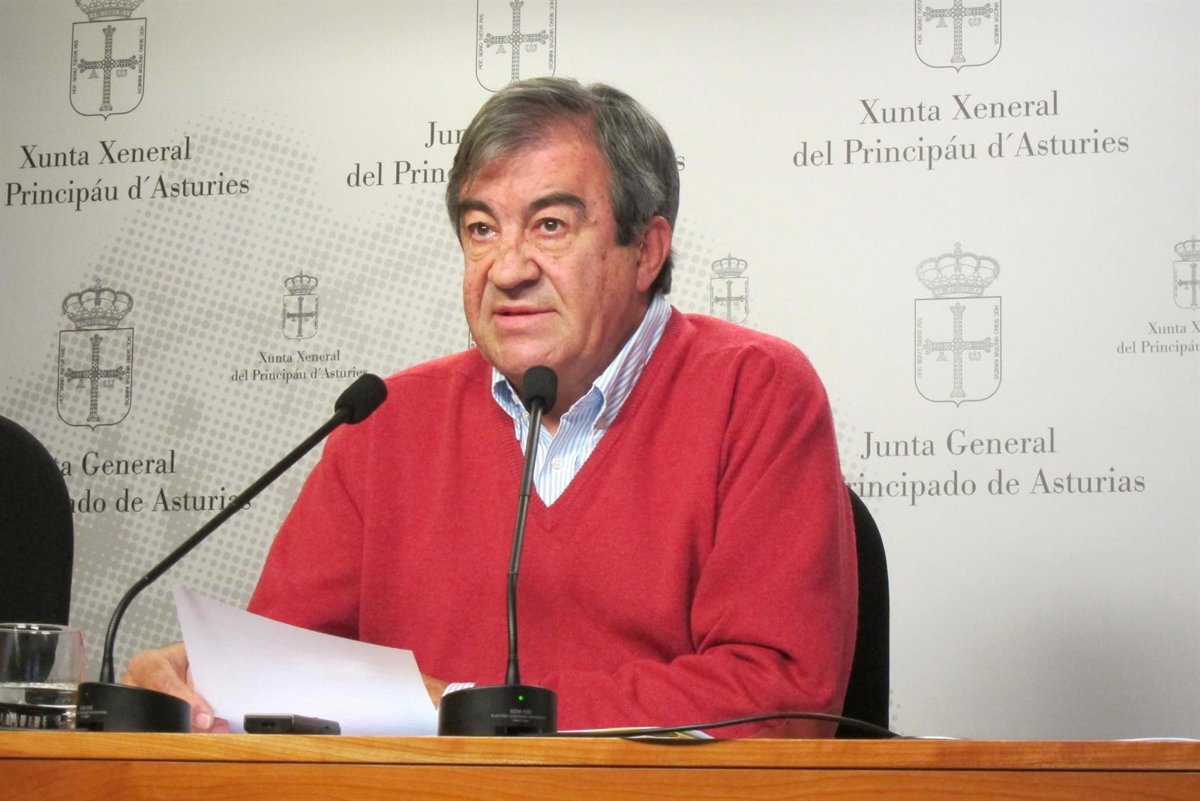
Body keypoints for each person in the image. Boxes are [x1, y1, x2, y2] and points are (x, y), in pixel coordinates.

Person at [126, 76, 857, 737]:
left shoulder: (754, 391)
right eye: (482, 230)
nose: (507, 269)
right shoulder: (385, 421)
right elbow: (284, 675)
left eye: (550, 226)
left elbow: (778, 702)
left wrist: (466, 708)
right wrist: (209, 680)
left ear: (646, 250)